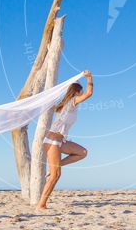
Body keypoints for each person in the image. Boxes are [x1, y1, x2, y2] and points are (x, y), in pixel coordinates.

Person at [36, 70, 93, 210]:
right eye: (81, 92)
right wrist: (89, 77)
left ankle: (56, 165)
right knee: (56, 175)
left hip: (61, 141)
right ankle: (41, 205)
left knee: (83, 152)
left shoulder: (66, 104)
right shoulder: (72, 102)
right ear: (76, 92)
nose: (82, 94)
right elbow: (89, 93)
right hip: (52, 140)